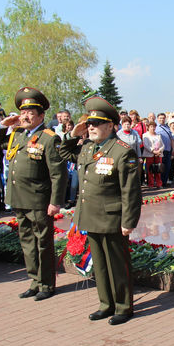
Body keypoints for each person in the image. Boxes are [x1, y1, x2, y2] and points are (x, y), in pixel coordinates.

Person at [59, 97, 141, 325]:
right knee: (101, 265)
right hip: (90, 217)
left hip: (112, 218)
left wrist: (129, 221)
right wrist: (73, 135)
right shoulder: (86, 148)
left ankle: (124, 307)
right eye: (89, 124)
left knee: (117, 265)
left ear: (110, 125)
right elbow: (63, 154)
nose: (91, 127)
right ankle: (106, 304)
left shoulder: (122, 152)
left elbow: (130, 191)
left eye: (96, 123)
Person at [0, 87, 67, 301]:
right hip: (19, 198)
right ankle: (34, 280)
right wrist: (1, 126)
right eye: (23, 112)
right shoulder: (17, 134)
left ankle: (47, 284)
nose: (25, 116)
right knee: (27, 242)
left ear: (41, 116)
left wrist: (55, 202)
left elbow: (58, 174)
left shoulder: (49, 138)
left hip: (39, 201)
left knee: (43, 243)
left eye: (30, 113)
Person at [141, 121, 164, 188]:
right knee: (150, 170)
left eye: (154, 126)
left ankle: (159, 184)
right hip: (149, 154)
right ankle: (151, 184)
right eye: (151, 126)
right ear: (148, 127)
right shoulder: (145, 135)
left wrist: (159, 150)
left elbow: (162, 145)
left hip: (158, 155)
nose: (153, 128)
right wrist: (153, 151)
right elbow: (146, 145)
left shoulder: (158, 135)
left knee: (158, 169)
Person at [155, 113, 173, 185]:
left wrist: (173, 148)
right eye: (160, 118)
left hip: (168, 149)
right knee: (161, 167)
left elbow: (171, 138)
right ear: (157, 119)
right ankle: (160, 182)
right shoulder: (156, 128)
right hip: (161, 150)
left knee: (167, 166)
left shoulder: (167, 127)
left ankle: (164, 181)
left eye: (163, 118)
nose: (162, 119)